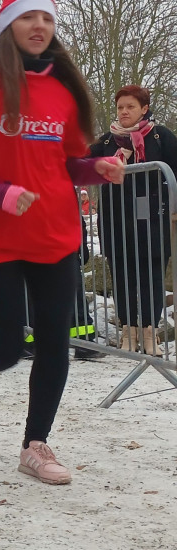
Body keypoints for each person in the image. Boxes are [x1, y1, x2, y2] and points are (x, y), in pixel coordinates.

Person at [0, 0, 124, 485]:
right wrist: (0, 193)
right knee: (7, 343)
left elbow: (69, 164)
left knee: (56, 342)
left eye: (47, 18)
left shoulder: (63, 89)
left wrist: (96, 167)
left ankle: (35, 445)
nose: (39, 26)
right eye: (27, 17)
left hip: (55, 234)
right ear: (8, 25)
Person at [90, 85, 177, 355]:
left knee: (152, 276)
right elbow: (78, 164)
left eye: (130, 107)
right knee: (122, 277)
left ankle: (150, 333)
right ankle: (128, 332)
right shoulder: (106, 142)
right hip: (116, 221)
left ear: (144, 109)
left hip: (153, 220)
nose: (124, 112)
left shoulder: (161, 137)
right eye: (120, 107)